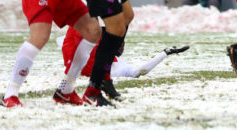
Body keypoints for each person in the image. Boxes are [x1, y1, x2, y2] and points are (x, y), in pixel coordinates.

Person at [57, 27, 189, 100]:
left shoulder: (119, 64)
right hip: (81, 60)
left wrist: (164, 53)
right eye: (119, 45)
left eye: (122, 45)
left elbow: (140, 71)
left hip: (82, 64)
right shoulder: (107, 53)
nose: (121, 48)